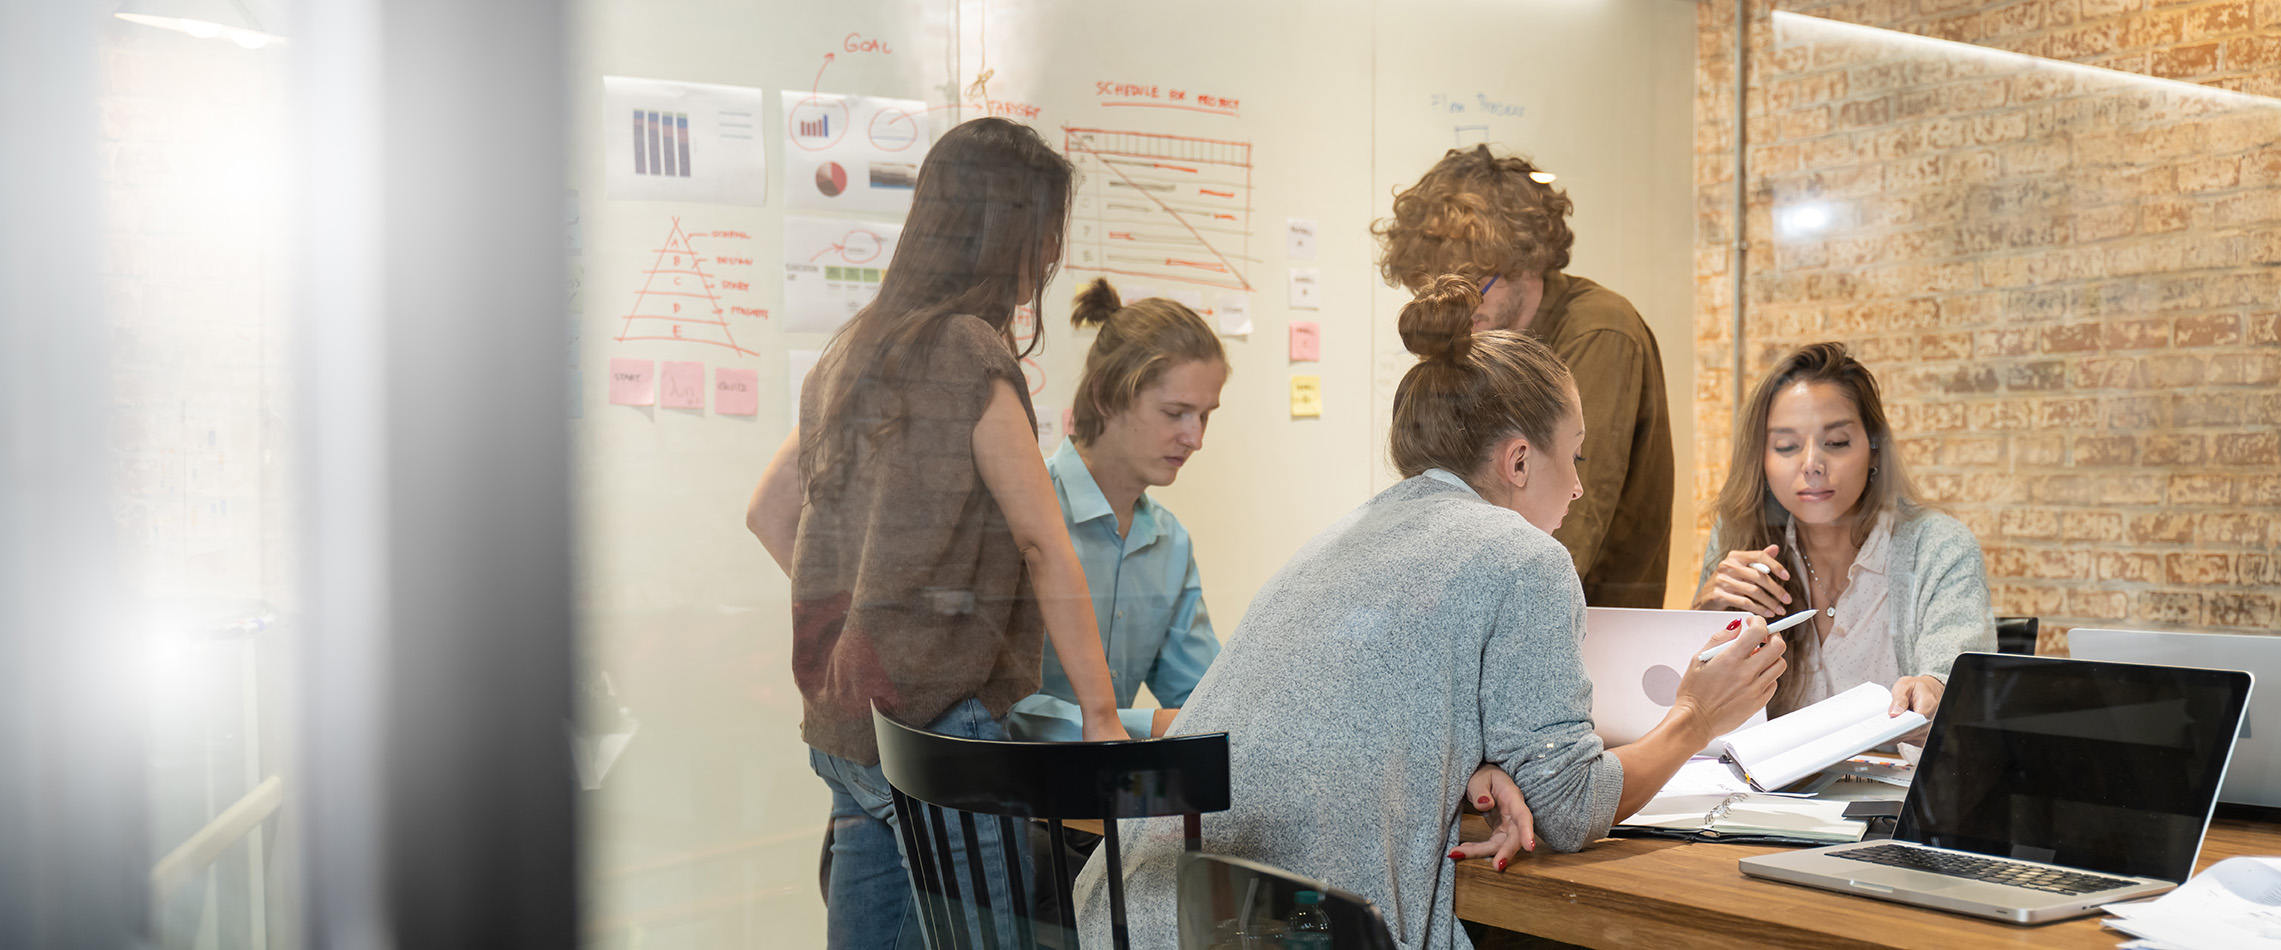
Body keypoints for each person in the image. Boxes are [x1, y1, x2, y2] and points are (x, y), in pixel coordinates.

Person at [1070, 277, 1784, 949]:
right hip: (1277, 928)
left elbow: (1357, 705)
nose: (1574, 489)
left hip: (1137, 908)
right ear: (1516, 463)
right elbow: (1568, 807)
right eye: (1574, 456)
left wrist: (1467, 765)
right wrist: (1694, 716)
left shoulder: (1347, 533)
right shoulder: (1523, 557)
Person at [745, 116, 1130, 950]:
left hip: (845, 728)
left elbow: (768, 514)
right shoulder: (968, 353)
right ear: (1007, 231)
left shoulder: (850, 349)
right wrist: (1103, 722)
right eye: (1044, 230)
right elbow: (1043, 544)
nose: (1049, 251)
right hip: (940, 740)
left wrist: (864, 628)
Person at [1374, 146, 1674, 608]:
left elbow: (1569, 527)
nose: (1461, 305)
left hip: (1583, 620)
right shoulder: (1484, 339)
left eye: (1475, 284)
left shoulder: (1599, 330)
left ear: (1527, 260)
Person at [1691, 342, 1995, 720]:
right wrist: (1704, 617)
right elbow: (1695, 717)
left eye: (1835, 442)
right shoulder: (1737, 537)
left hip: (1900, 779)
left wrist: (1935, 691)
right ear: (1762, 462)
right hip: (1770, 780)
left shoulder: (1938, 548)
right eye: (1786, 446)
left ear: (1874, 450)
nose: (1812, 464)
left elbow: (1960, 699)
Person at [1007, 278, 1226, 743]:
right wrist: (1142, 724)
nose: (1196, 439)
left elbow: (1205, 697)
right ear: (1108, 396)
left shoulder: (1170, 542)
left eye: (1205, 415)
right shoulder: (1024, 514)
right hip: (1016, 799)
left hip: (1110, 798)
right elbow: (997, 709)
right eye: (1176, 413)